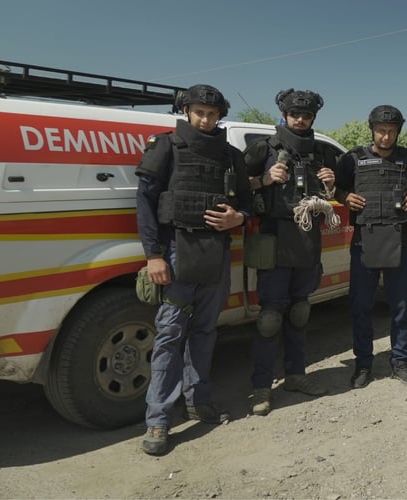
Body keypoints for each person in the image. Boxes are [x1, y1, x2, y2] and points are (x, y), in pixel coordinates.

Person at [136, 84, 252, 455]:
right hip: (175, 251)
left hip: (216, 253)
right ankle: (158, 420)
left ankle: (199, 401)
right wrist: (153, 255)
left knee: (205, 331)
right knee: (170, 336)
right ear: (186, 111)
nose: (205, 119)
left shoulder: (231, 156)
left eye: (212, 114)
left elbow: (247, 203)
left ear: (220, 116)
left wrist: (238, 217)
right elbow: (145, 202)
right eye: (199, 112)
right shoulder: (166, 146)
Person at [243, 89, 338, 416]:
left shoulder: (322, 152)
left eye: (306, 115)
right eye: (295, 114)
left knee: (299, 312)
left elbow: (334, 194)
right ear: (283, 115)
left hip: (308, 240)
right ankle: (261, 387)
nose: (300, 119)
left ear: (313, 118)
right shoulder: (264, 149)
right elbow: (234, 186)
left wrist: (330, 184)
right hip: (274, 239)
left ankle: (296, 375)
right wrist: (262, 180)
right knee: (270, 318)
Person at [334, 105, 407, 388]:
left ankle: (401, 361)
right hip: (365, 239)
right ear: (372, 129)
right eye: (381, 131)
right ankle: (363, 364)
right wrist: (345, 197)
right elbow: (338, 189)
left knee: (400, 305)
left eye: (391, 131)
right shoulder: (351, 159)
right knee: (361, 306)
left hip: (399, 238)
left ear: (399, 131)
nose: (386, 136)